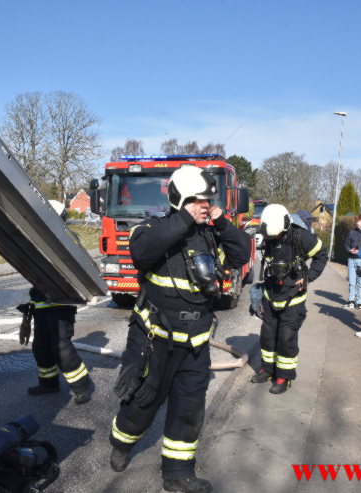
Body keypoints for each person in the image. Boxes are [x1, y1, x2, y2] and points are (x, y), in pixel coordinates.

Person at [108, 166, 251, 493]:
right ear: (184, 198)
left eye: (208, 200)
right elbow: (141, 252)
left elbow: (241, 253)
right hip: (154, 339)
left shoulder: (211, 231)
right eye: (201, 200)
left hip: (196, 342)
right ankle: (121, 442)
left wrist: (222, 221)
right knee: (144, 401)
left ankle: (177, 473)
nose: (206, 205)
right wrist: (186, 218)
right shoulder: (153, 227)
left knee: (188, 409)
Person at [251, 204, 328, 394]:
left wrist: (308, 277)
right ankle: (267, 369)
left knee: (286, 338)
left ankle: (284, 376)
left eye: (273, 235)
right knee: (268, 336)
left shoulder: (300, 237)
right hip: (271, 295)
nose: (271, 238)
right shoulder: (269, 234)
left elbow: (322, 255)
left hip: (292, 299)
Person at [17, 287, 94, 404]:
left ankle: (81, 387)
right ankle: (49, 384)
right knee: (41, 348)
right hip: (41, 309)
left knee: (62, 350)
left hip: (61, 305)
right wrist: (27, 315)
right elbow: (37, 283)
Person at [343, 214, 361, 310]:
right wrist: (349, 250)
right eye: (356, 221)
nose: (357, 223)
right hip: (351, 260)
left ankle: (360, 303)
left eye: (359, 221)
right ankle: (351, 301)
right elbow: (346, 243)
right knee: (352, 282)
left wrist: (360, 251)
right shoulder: (352, 232)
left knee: (360, 282)